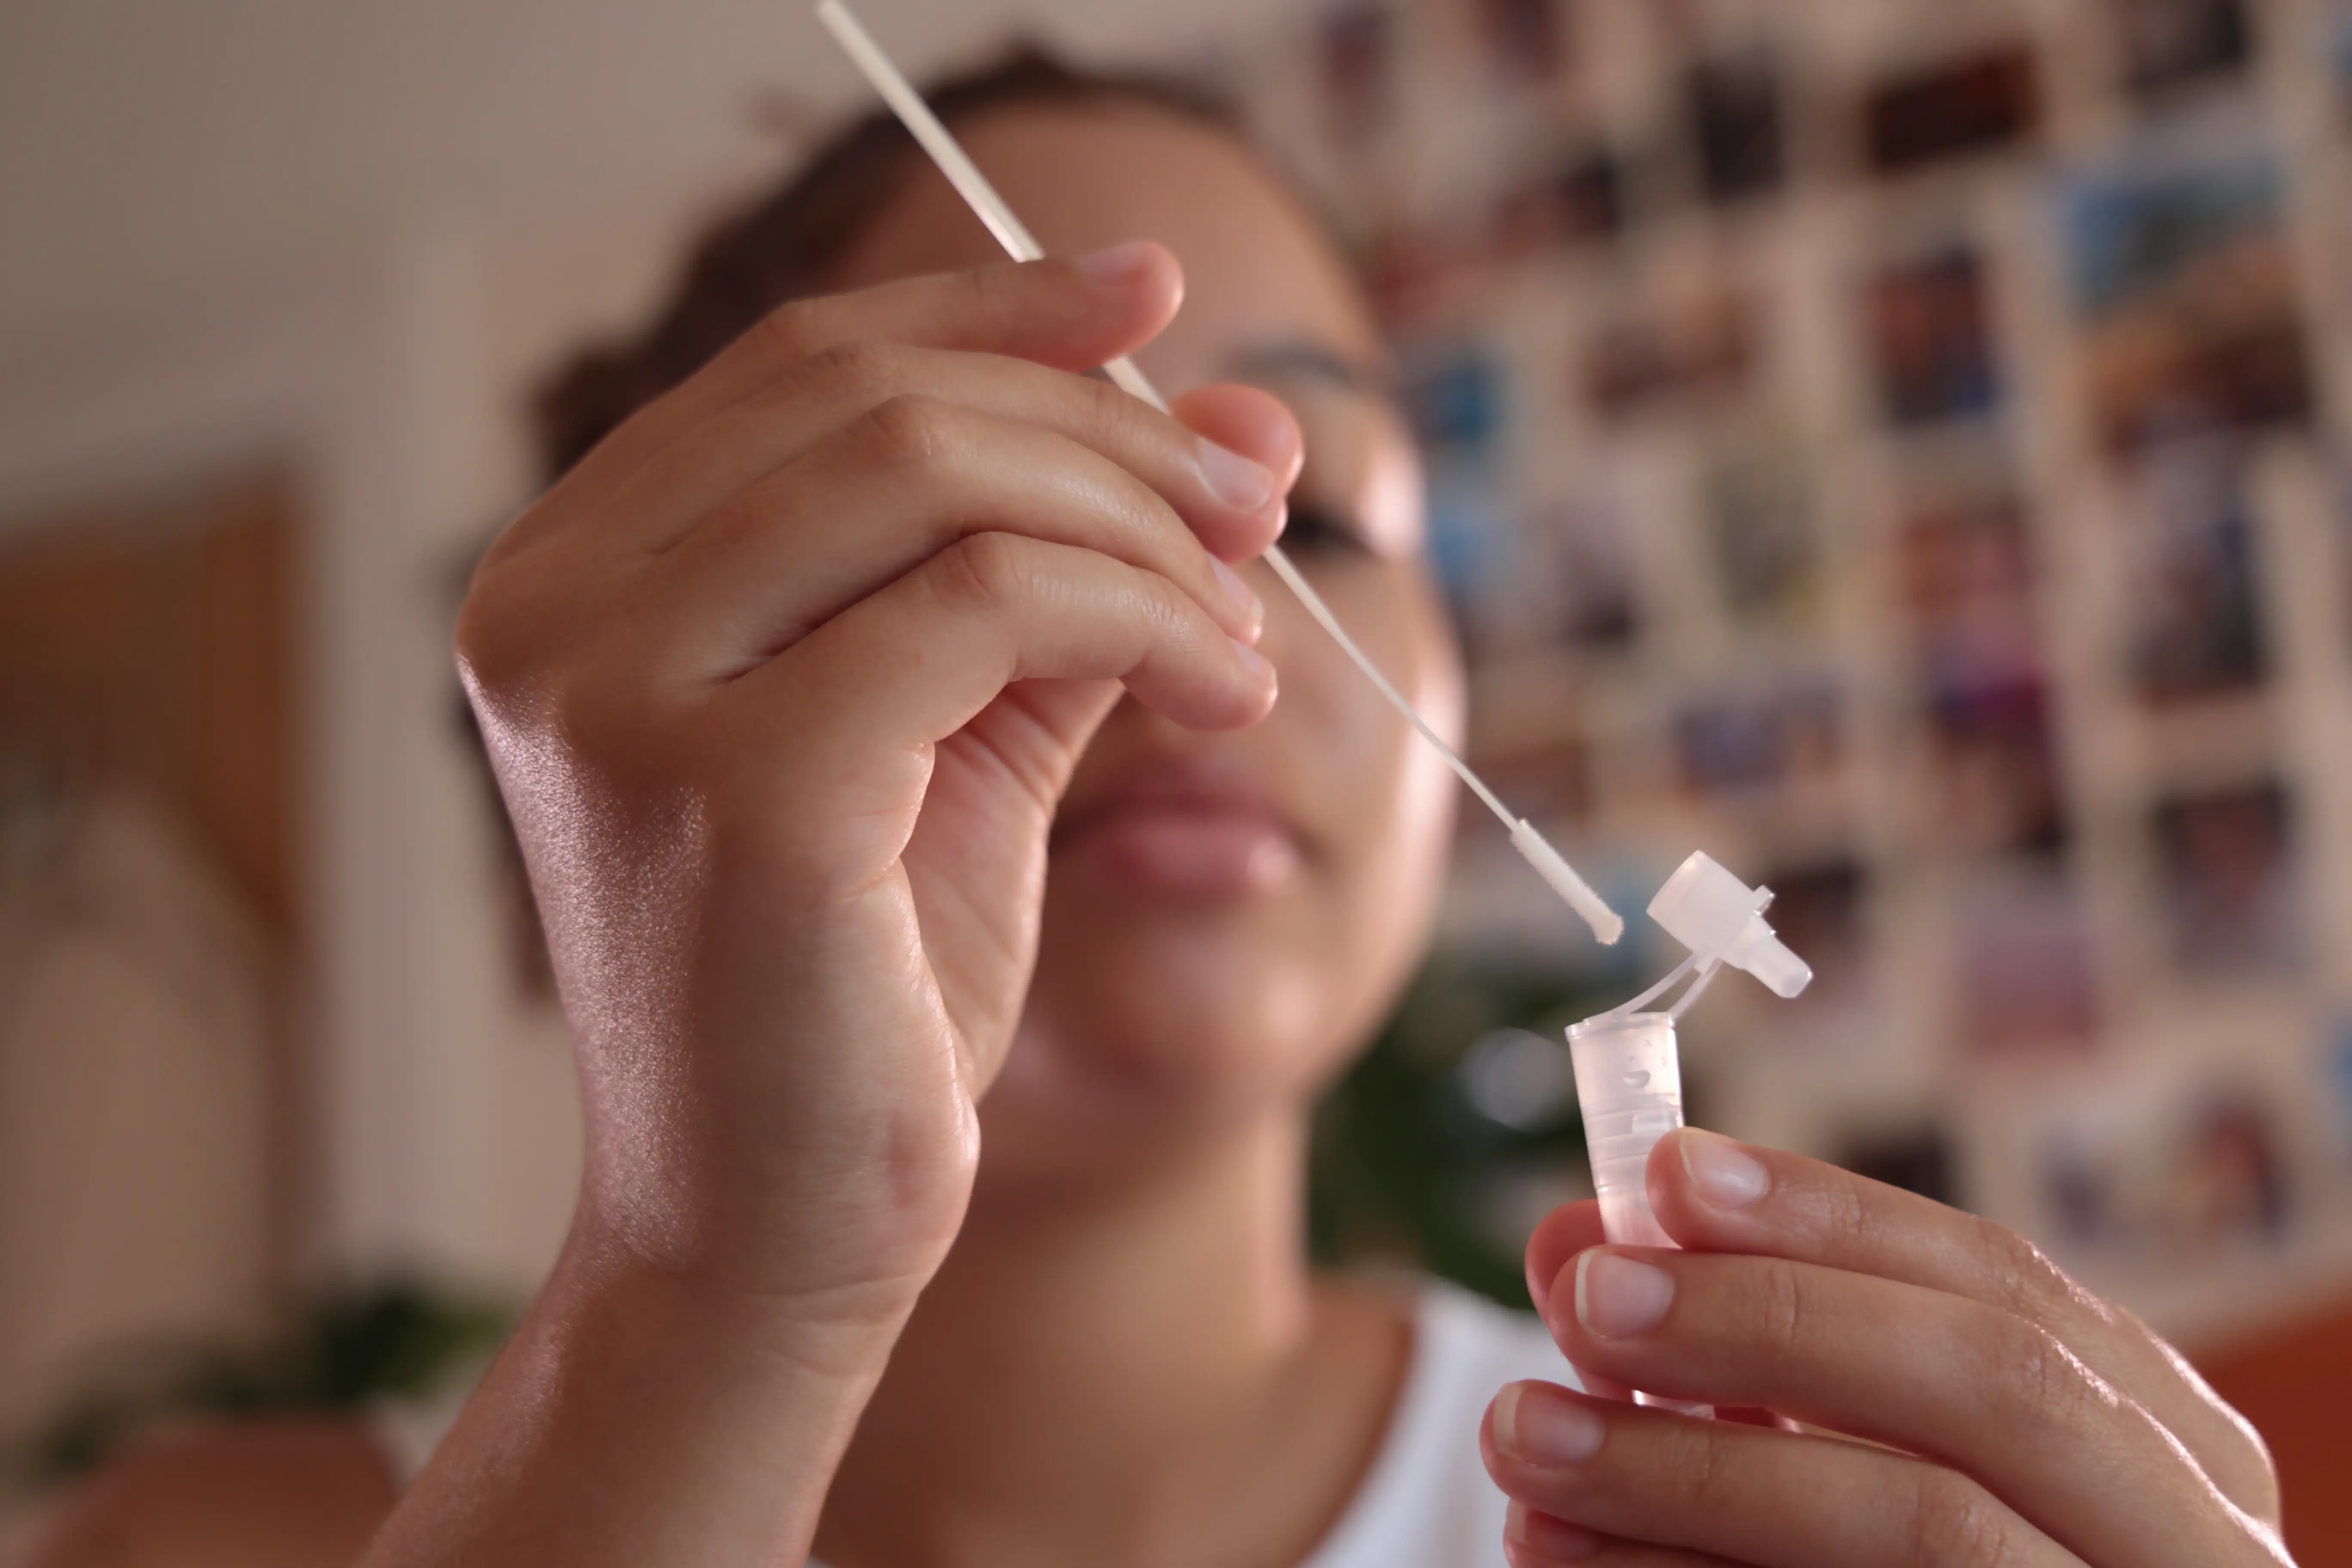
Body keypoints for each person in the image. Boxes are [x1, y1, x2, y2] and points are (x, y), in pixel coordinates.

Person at [29, 52, 2288, 1568]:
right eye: (1008, 499)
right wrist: (720, 1294)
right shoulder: (222, 1543)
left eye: (1317, 515)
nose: (1212, 626)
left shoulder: (1758, 1525)